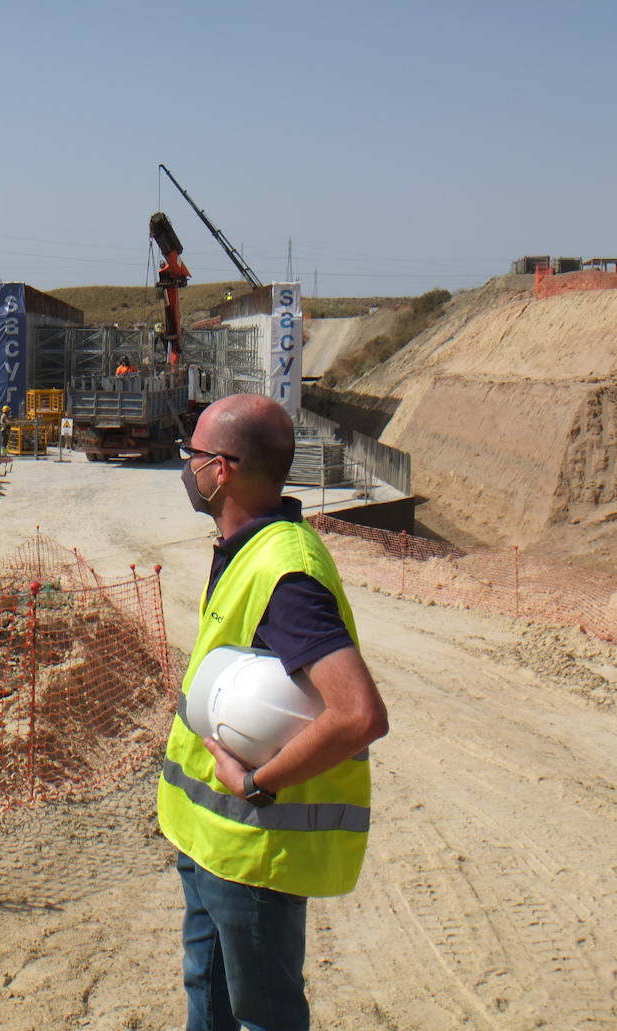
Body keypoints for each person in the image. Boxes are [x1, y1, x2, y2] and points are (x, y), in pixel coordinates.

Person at [156, 393, 389, 1031]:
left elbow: (359, 713)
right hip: (207, 842)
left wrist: (257, 783)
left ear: (221, 469)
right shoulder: (246, 547)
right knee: (206, 993)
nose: (187, 466)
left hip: (252, 855)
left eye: (193, 455)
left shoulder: (287, 572)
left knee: (264, 1017)